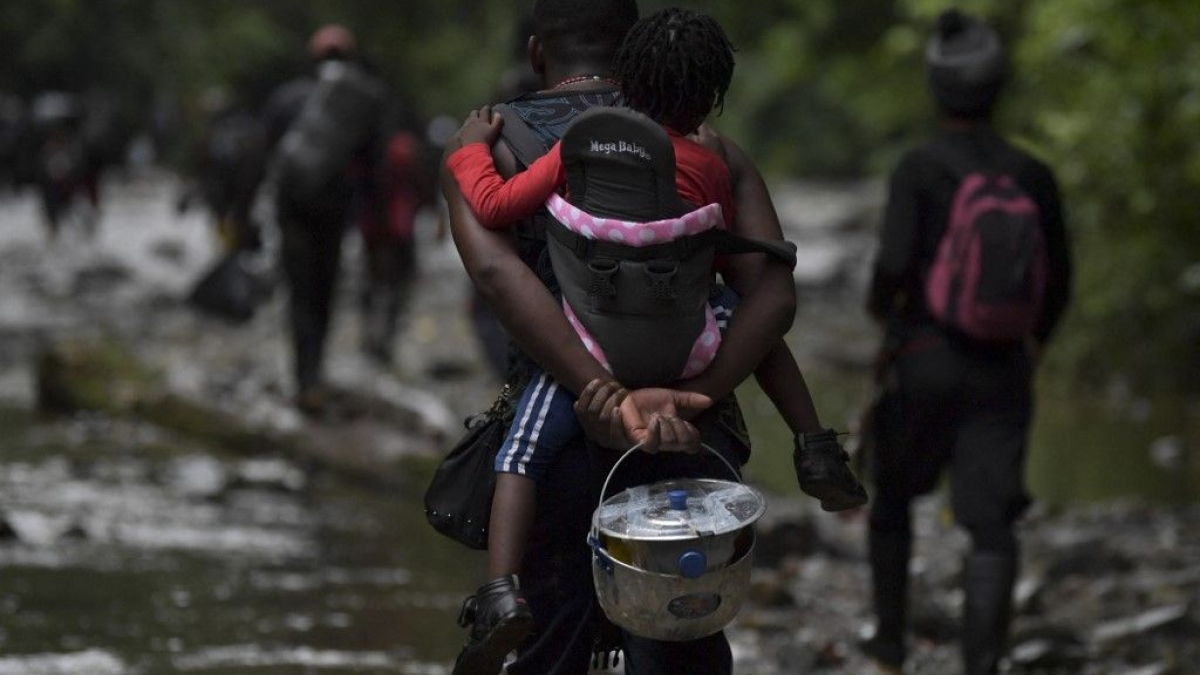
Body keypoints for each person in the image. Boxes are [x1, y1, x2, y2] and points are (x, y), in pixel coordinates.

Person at [444, 10, 867, 673]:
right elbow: (771, 295)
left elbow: (499, 276)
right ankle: (816, 444)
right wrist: (695, 395)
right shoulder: (714, 150)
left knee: (548, 646)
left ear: (535, 53)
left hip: (563, 428)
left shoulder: (496, 144)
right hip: (690, 428)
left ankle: (499, 599)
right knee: (680, 638)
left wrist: (600, 389)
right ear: (632, 49)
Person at [860, 10, 1072, 675]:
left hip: (924, 358)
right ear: (997, 88)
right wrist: (1033, 342)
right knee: (992, 526)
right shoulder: (1032, 174)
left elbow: (893, 264)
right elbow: (1058, 277)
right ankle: (981, 664)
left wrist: (883, 319)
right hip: (1002, 369)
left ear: (936, 86)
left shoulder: (919, 168)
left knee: (892, 500)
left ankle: (890, 647)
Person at [242, 24, 390, 413]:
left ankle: (303, 377)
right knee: (326, 286)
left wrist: (245, 215)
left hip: (291, 208)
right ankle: (316, 375)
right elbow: (375, 166)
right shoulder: (361, 100)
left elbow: (259, 158)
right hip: (336, 207)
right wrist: (375, 219)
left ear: (313, 58)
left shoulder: (286, 98)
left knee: (298, 290)